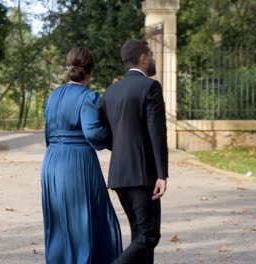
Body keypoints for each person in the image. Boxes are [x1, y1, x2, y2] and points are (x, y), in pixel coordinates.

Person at [41, 47, 122, 264]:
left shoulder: (53, 95)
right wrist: (112, 139)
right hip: (77, 163)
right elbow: (93, 133)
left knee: (59, 222)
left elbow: (48, 133)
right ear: (90, 72)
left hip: (52, 162)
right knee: (87, 218)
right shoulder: (88, 96)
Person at [101, 40, 169, 263]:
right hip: (143, 175)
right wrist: (162, 174)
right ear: (143, 57)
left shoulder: (110, 92)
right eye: (151, 53)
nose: (153, 58)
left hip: (119, 175)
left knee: (138, 235)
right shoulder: (150, 86)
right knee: (149, 236)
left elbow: (107, 135)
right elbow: (157, 133)